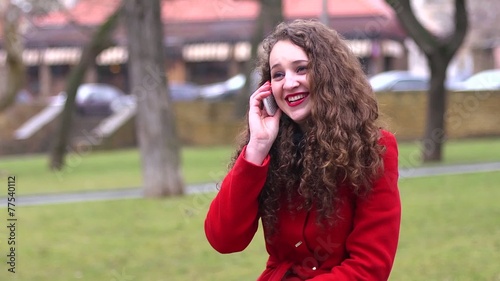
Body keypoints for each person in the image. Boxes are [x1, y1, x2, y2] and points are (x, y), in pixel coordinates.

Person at [204, 19, 401, 281]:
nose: (289, 83)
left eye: (301, 69)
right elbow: (224, 239)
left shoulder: (373, 149)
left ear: (328, 74)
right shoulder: (269, 149)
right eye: (278, 74)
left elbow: (370, 267)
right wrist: (257, 148)